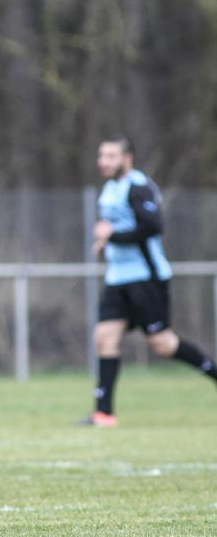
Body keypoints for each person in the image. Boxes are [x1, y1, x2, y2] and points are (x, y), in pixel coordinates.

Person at [80, 135, 217, 427]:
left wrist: (112, 236)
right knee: (105, 337)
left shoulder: (138, 188)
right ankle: (104, 413)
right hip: (118, 280)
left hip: (145, 280)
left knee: (163, 345)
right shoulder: (110, 190)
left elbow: (154, 226)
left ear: (127, 158)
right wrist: (106, 244)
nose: (103, 162)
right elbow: (120, 229)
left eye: (111, 156)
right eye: (101, 156)